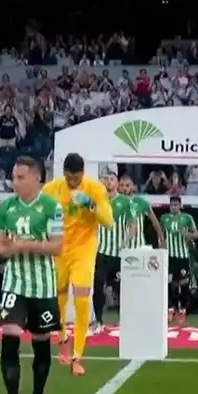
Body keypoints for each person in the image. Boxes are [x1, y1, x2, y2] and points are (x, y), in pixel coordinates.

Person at [0, 156, 64, 394]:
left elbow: (57, 246)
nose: (15, 182)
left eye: (21, 177)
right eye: (14, 177)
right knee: (9, 335)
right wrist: (20, 246)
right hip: (15, 283)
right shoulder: (5, 207)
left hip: (44, 286)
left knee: (41, 343)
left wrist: (22, 245)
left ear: (36, 177)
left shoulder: (52, 207)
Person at [42, 153, 114, 376]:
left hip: (84, 250)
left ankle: (77, 356)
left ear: (83, 173)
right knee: (59, 297)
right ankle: (62, 339)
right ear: (64, 174)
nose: (73, 181)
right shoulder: (51, 190)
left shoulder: (95, 188)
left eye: (77, 177)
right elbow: (40, 216)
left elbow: (108, 222)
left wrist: (90, 204)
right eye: (69, 177)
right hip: (60, 249)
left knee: (82, 299)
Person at [93, 171, 137, 334]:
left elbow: (132, 225)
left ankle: (123, 320)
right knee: (98, 286)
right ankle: (98, 321)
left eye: (112, 179)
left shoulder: (125, 202)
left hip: (118, 253)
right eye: (106, 179)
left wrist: (125, 243)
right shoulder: (97, 201)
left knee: (121, 289)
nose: (108, 182)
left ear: (117, 183)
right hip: (100, 252)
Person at [160, 196, 198, 324]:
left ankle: (182, 310)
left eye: (176, 205)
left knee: (183, 285)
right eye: (172, 205)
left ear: (180, 206)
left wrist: (186, 234)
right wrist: (161, 245)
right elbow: (161, 235)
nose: (174, 207)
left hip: (183, 256)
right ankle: (171, 308)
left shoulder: (187, 218)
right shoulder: (164, 218)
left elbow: (197, 235)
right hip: (170, 257)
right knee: (169, 283)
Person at [120, 175, 164, 250]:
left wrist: (162, 240)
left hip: (138, 246)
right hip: (119, 246)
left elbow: (155, 223)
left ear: (132, 186)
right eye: (122, 185)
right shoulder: (115, 202)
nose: (124, 188)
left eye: (127, 185)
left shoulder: (141, 202)